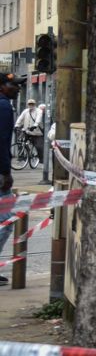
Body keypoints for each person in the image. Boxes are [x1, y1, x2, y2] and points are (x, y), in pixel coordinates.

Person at [0, 74, 19, 287]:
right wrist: (6, 172)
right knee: (5, 222)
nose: (17, 89)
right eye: (13, 85)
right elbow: (2, 140)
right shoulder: (4, 107)